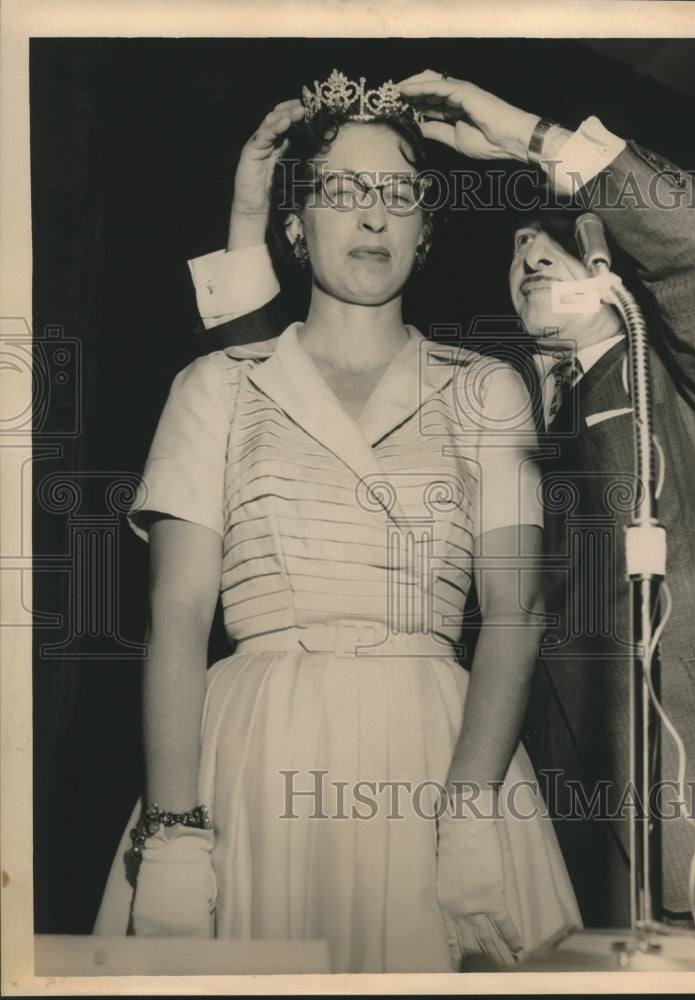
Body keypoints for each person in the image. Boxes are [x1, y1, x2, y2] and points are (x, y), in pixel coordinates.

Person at [194, 71, 695, 966]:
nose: (531, 250)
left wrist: (529, 139)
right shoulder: (487, 402)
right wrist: (246, 213)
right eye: (515, 245)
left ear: (620, 269)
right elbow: (276, 397)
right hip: (564, 845)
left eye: (556, 239)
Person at [94, 73, 581, 974]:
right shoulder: (215, 388)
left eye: (397, 195)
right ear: (294, 225)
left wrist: (472, 809)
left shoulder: (487, 389)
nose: (372, 217)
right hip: (249, 761)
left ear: (425, 230)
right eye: (342, 193)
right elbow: (176, 621)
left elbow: (515, 610)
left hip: (442, 757)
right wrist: (172, 829)